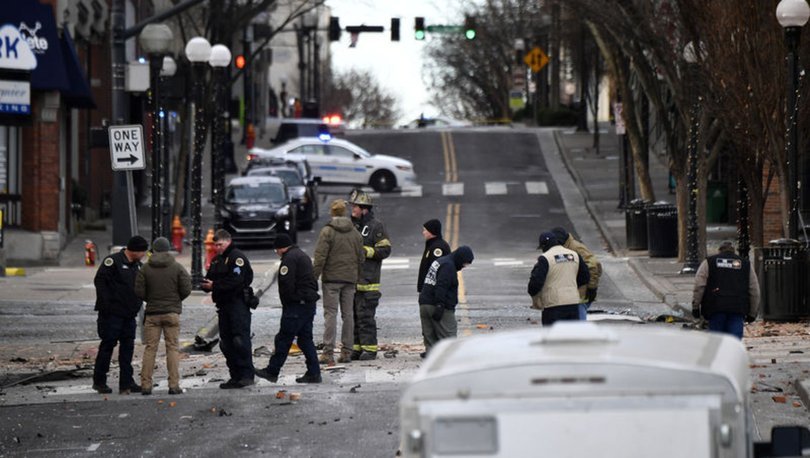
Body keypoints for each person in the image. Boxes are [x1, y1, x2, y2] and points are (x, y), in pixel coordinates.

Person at [255, 234, 322, 383]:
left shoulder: (289, 260)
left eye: (276, 250)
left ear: (280, 248)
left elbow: (286, 286)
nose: (277, 253)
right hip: (307, 303)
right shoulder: (301, 255)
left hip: (296, 306)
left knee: (283, 339)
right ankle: (314, 372)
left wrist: (288, 305)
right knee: (305, 340)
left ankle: (272, 371)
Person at [134, 237, 192, 396]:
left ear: (153, 250)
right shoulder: (177, 267)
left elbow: (139, 291)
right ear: (168, 249)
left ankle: (146, 385)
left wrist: (150, 299)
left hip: (152, 314)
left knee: (150, 349)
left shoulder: (145, 268)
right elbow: (187, 288)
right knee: (172, 348)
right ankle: (173, 385)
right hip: (171, 313)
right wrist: (175, 300)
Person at [92, 235, 148, 395]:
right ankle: (99, 381)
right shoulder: (113, 262)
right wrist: (107, 305)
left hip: (129, 315)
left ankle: (126, 382)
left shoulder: (138, 266)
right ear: (135, 250)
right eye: (142, 251)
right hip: (111, 314)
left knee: (127, 348)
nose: (144, 254)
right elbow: (100, 282)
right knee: (108, 346)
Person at [200, 229, 255, 389]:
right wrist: (206, 285)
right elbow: (210, 279)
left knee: (240, 341)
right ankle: (235, 375)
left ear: (228, 241)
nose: (218, 248)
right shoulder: (217, 260)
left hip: (237, 304)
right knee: (226, 343)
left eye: (220, 244)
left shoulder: (237, 258)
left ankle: (246, 375)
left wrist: (215, 285)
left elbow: (236, 282)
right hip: (223, 306)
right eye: (215, 245)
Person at [312, 199, 365, 365]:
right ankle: (347, 352)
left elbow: (320, 257)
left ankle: (328, 353)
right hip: (349, 279)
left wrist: (314, 278)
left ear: (332, 213)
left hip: (331, 280)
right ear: (345, 213)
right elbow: (361, 257)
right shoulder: (355, 232)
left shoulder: (327, 232)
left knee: (331, 315)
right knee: (348, 315)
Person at [348, 189, 392, 360]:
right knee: (353, 317)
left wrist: (366, 251)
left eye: (355, 206)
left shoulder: (376, 226)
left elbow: (385, 250)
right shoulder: (351, 226)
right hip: (352, 281)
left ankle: (370, 349)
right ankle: (357, 348)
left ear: (364, 208)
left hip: (368, 282)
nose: (352, 209)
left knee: (366, 317)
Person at [692, 241, 760, 339]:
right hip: (737, 307)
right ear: (734, 251)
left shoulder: (709, 262)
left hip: (715, 307)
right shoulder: (745, 264)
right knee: (734, 341)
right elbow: (754, 290)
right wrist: (752, 313)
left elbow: (699, 286)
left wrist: (695, 307)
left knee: (716, 341)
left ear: (719, 250)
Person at [418, 246, 474, 353]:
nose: (463, 267)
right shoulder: (448, 266)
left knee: (430, 337)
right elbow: (441, 286)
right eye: (464, 263)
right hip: (438, 305)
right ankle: (447, 360)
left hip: (425, 303)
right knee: (449, 337)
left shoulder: (440, 261)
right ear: (460, 258)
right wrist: (440, 305)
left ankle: (432, 359)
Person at [528, 232, 590, 326]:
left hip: (553, 305)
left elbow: (535, 284)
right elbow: (585, 277)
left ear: (544, 245)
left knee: (553, 337)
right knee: (572, 336)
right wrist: (572, 286)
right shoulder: (574, 255)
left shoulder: (545, 258)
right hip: (572, 303)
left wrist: (536, 296)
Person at [551, 227, 602, 319]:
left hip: (580, 291)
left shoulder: (575, 248)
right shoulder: (563, 248)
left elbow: (593, 265)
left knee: (578, 320)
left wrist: (591, 288)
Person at [417, 219, 451, 294]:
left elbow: (437, 271)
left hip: (432, 291)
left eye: (425, 230)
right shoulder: (432, 245)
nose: (423, 233)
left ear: (431, 231)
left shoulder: (437, 248)